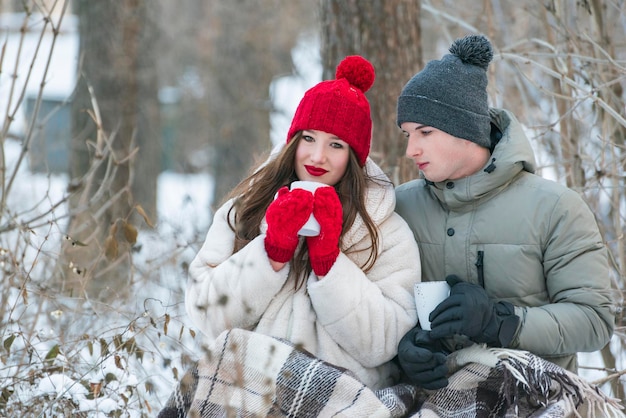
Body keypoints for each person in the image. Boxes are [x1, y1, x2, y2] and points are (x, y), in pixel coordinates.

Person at [393, 34, 616, 390]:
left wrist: (502, 322)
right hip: (429, 402)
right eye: (407, 135)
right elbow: (378, 305)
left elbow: (593, 322)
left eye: (425, 131)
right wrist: (405, 349)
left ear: (465, 131)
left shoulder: (556, 208)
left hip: (535, 400)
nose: (411, 150)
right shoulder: (399, 206)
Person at [185, 55, 421, 390]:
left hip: (340, 396)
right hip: (249, 387)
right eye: (308, 138)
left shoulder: (386, 231)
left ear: (354, 156)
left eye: (335, 145)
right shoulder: (245, 209)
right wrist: (271, 253)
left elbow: (383, 342)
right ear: (293, 140)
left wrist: (329, 263)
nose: (316, 156)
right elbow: (205, 314)